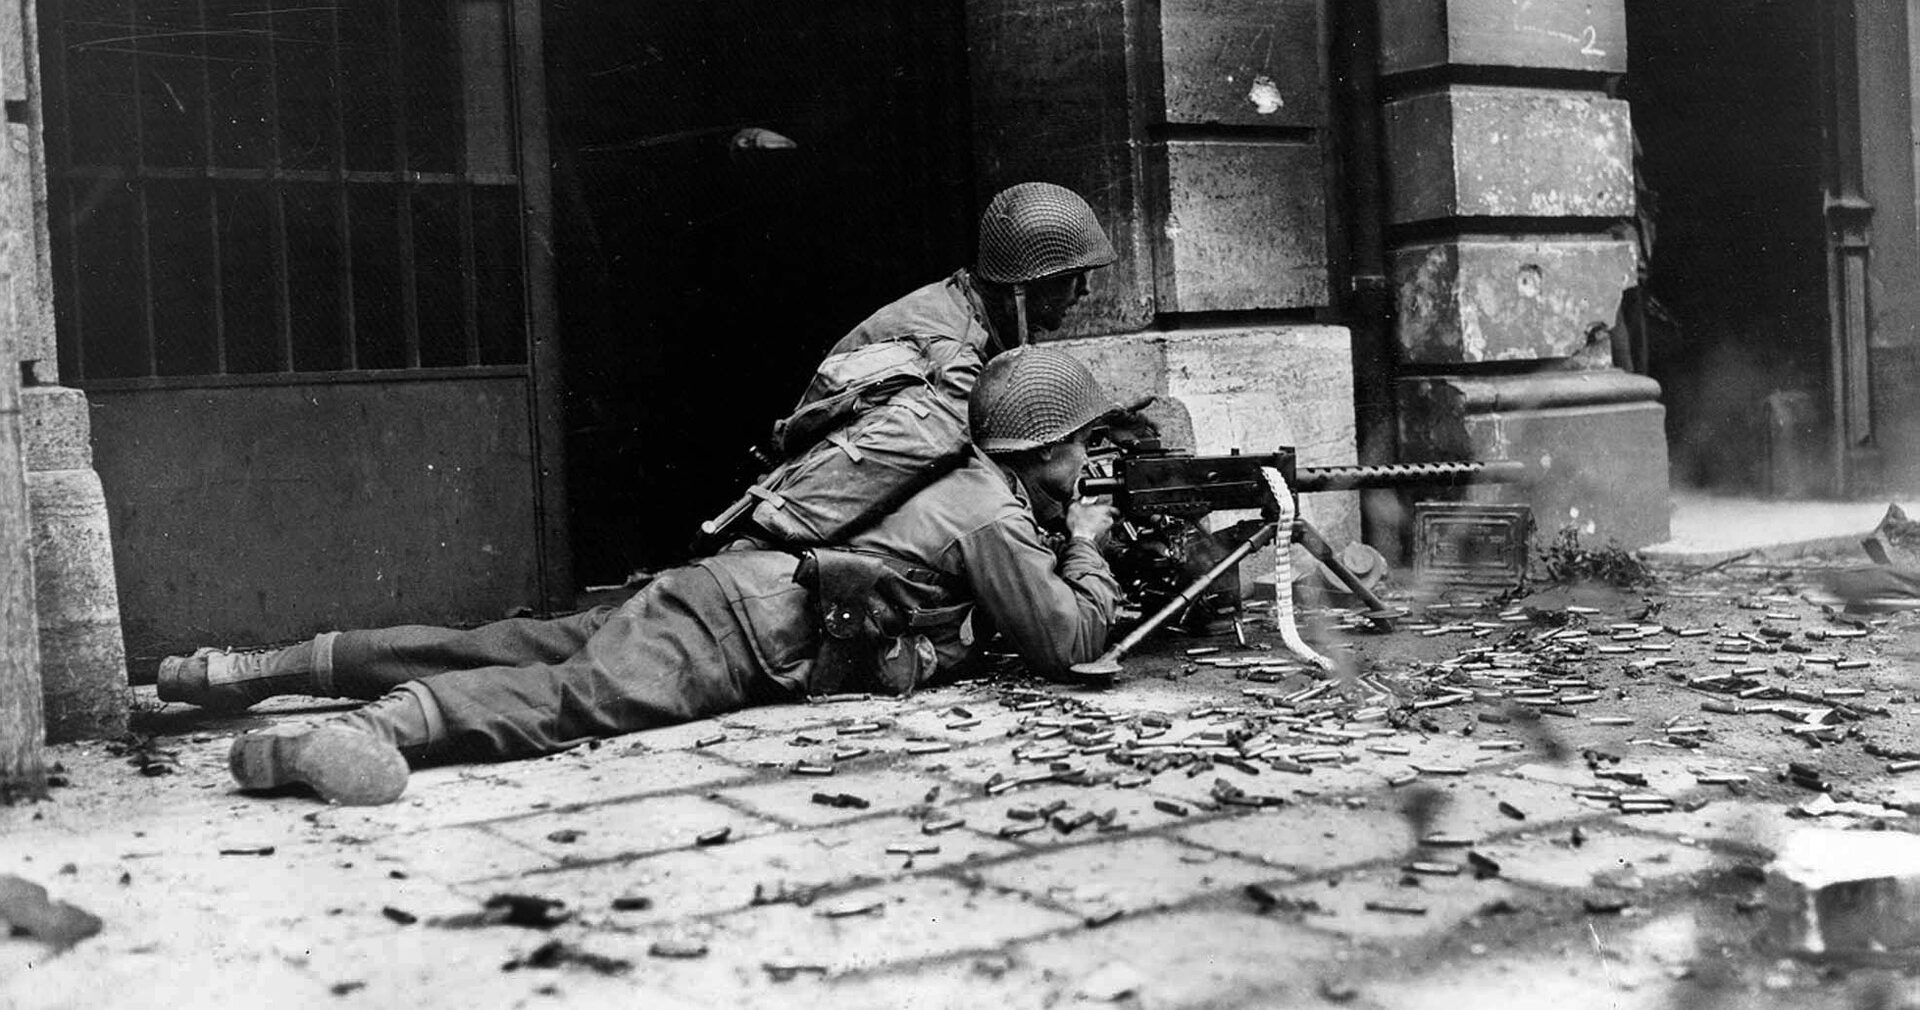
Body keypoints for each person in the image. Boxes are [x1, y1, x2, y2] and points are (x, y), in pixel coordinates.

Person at [157, 347, 1124, 806]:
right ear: (1043, 449)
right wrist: (1085, 541)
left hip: (728, 590)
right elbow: (1070, 643)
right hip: (742, 633)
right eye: (1081, 445)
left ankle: (246, 670)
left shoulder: (963, 480)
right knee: (568, 699)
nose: (1087, 462)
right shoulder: (996, 514)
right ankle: (368, 733)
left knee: (500, 644)